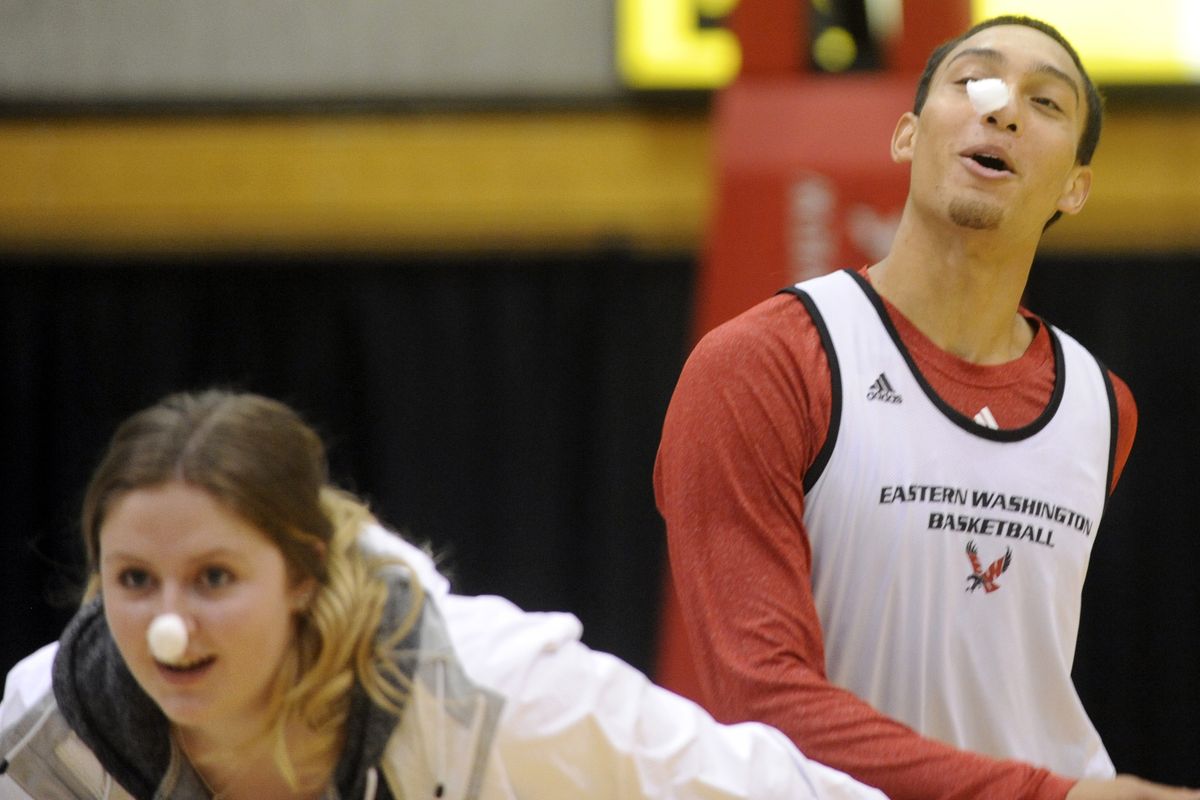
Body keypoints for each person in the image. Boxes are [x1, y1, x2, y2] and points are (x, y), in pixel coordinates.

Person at [654, 14, 1200, 800]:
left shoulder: (1102, 407)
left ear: (1077, 188)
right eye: (975, 80)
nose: (1004, 108)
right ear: (907, 135)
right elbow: (764, 708)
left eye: (1046, 104)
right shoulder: (761, 366)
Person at [0, 390, 887, 800]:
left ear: (302, 572)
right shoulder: (46, 735)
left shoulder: (498, 694)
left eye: (216, 579)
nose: (167, 626)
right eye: (133, 581)